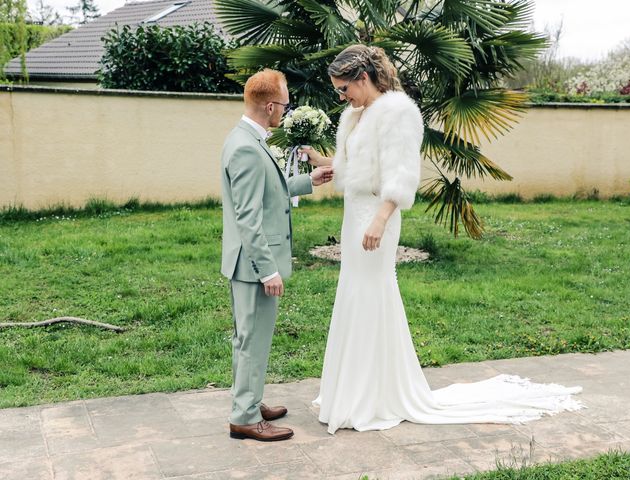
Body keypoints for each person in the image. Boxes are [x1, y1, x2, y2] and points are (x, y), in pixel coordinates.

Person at [302, 45, 582, 435]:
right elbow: (358, 163)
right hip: (354, 216)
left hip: (376, 216)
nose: (341, 96)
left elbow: (400, 173)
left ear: (363, 78)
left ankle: (374, 395)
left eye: (343, 88)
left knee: (372, 292)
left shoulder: (397, 112)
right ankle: (355, 390)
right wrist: (322, 161)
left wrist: (381, 220)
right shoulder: (356, 114)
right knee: (354, 292)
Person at [220, 69, 333, 442]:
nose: (285, 111)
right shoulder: (247, 148)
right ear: (270, 106)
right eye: (283, 105)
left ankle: (249, 402)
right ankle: (245, 418)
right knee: (253, 340)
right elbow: (248, 217)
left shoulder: (247, 138)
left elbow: (270, 189)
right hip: (254, 265)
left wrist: (308, 181)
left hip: (245, 261)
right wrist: (267, 271)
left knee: (247, 339)